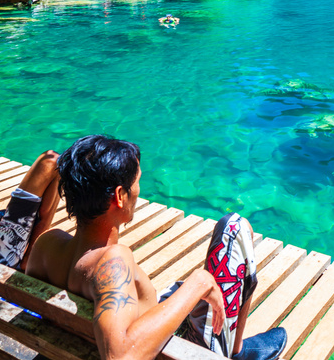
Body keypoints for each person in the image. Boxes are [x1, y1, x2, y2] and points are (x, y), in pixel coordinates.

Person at [27, 136, 286, 360]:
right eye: (137, 181)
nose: (138, 190)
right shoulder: (113, 262)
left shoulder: (47, 244)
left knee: (178, 289)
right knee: (235, 227)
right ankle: (234, 351)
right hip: (174, 352)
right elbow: (121, 356)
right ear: (119, 196)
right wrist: (199, 282)